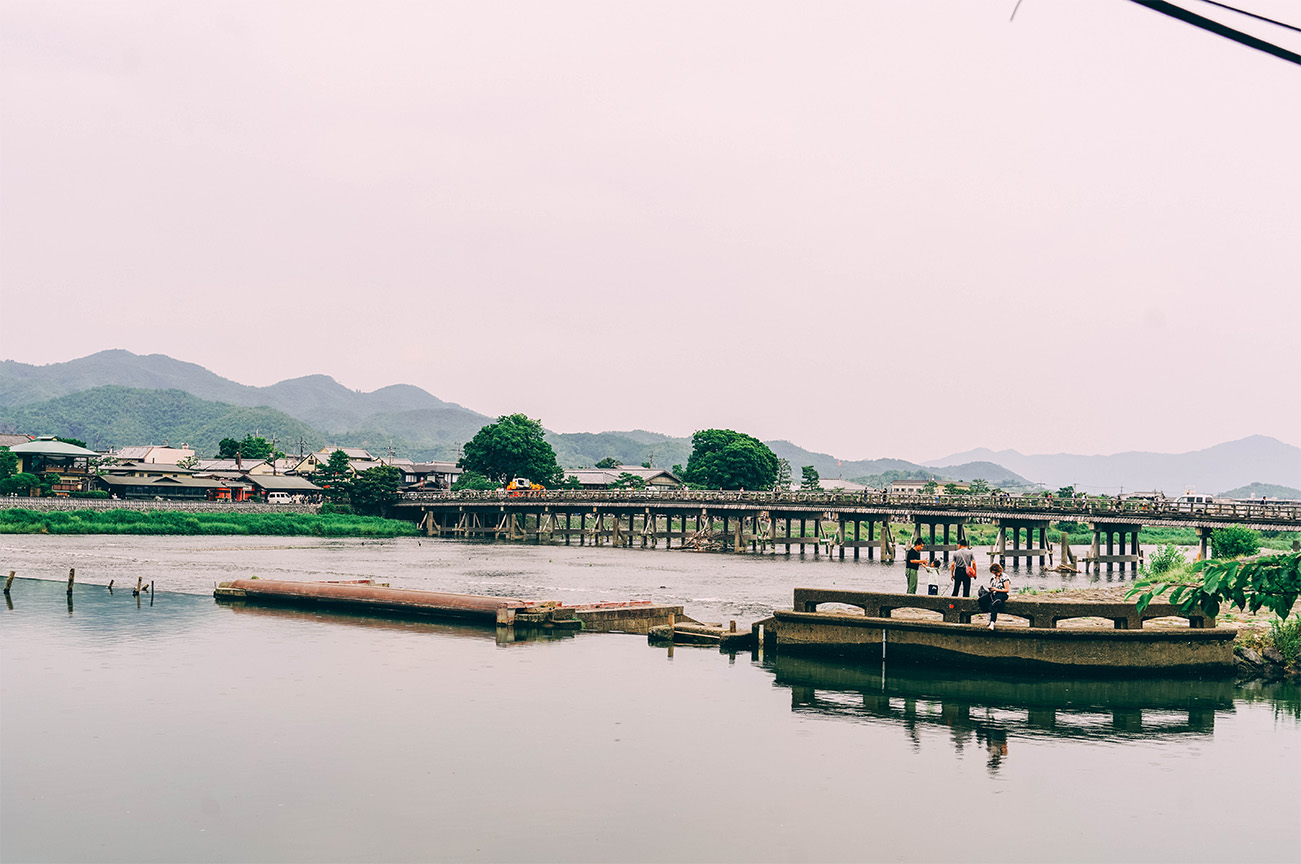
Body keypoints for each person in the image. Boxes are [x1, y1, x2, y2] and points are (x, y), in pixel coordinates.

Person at [987, 563, 1011, 629]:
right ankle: (988, 618)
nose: (995, 574)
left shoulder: (1005, 577)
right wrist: (990, 588)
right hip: (994, 593)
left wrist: (996, 589)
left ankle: (992, 622)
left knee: (995, 603)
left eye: (996, 573)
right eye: (994, 573)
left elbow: (1007, 590)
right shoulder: (993, 578)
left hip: (1002, 594)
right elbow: (991, 585)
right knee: (982, 599)